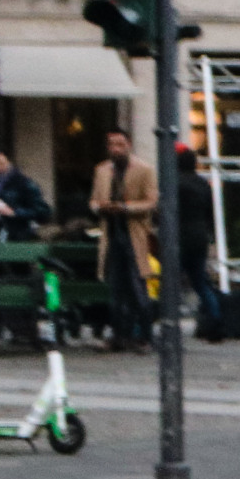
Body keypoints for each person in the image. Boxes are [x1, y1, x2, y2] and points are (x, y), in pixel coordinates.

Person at [91, 129, 158, 352]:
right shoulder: (102, 170)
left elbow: (151, 201)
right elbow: (94, 198)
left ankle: (145, 336)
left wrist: (126, 208)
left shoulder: (144, 169)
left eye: (120, 144)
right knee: (116, 288)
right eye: (112, 145)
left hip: (133, 234)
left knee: (138, 287)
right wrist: (98, 207)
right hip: (111, 234)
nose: (116, 149)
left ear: (129, 144)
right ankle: (119, 335)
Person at [175, 145, 226, 341]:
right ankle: (216, 320)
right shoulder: (203, 184)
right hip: (199, 237)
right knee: (200, 282)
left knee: (171, 283)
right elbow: (210, 213)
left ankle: (166, 323)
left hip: (180, 237)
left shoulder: (174, 183)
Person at [0, 148, 50, 241]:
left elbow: (43, 212)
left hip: (17, 236)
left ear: (10, 163)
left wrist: (14, 212)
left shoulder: (24, 183)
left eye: (1, 163)